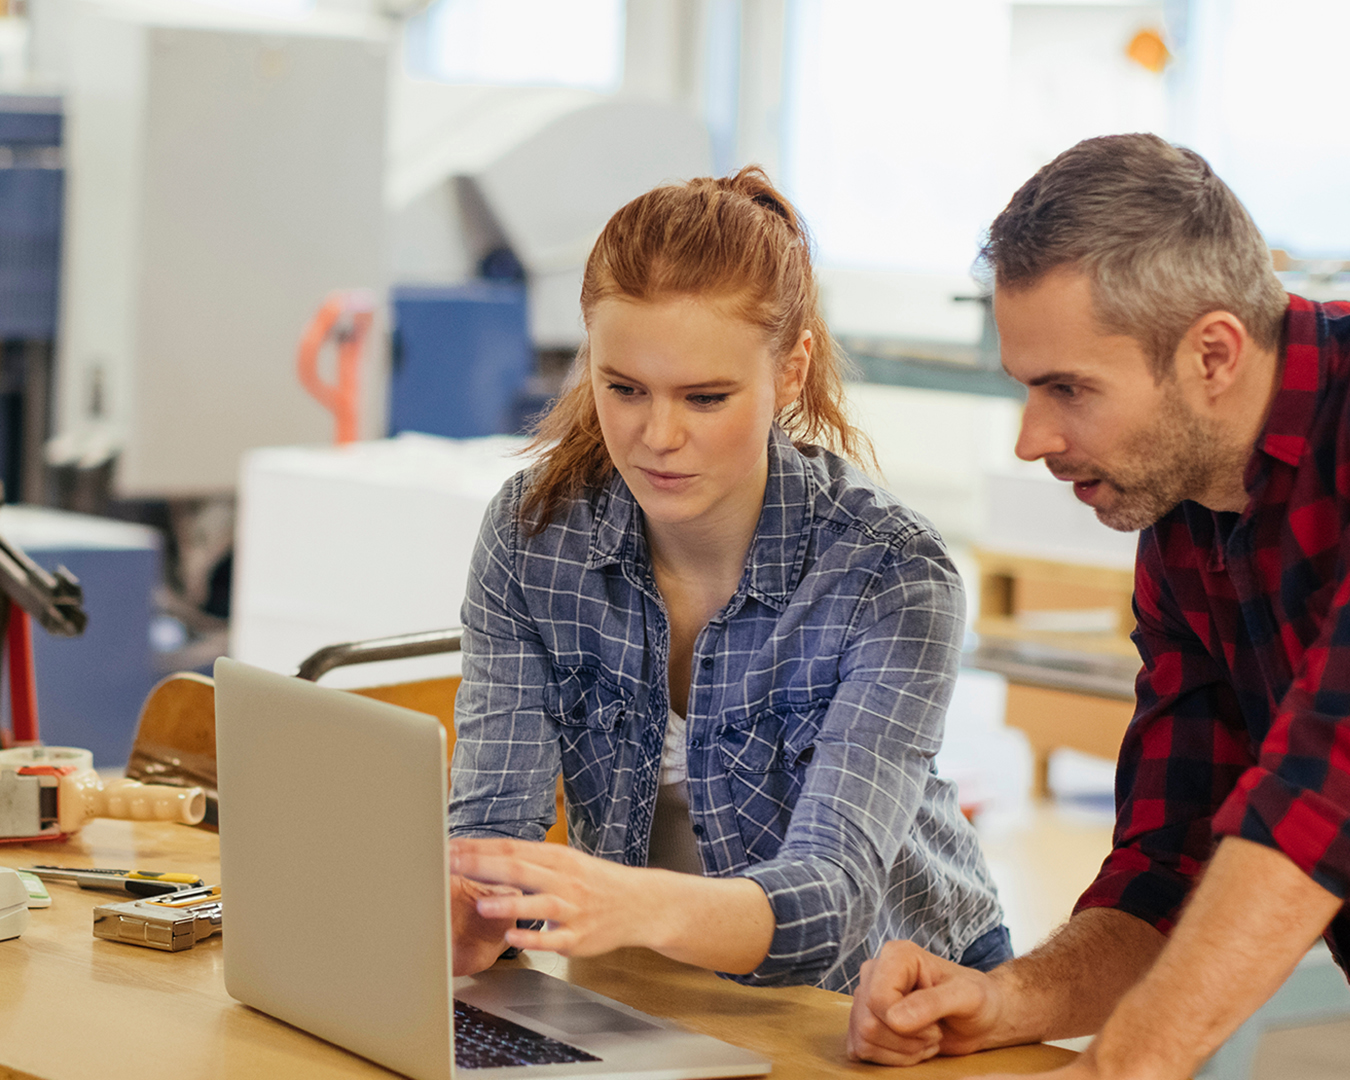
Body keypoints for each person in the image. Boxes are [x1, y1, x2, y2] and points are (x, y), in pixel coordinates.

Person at [846, 131, 1350, 1078]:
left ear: (1212, 354)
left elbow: (1324, 793)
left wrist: (1121, 1065)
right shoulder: (1188, 519)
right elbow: (1171, 865)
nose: (1034, 438)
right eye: (1028, 389)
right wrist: (1002, 1000)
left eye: (1068, 389)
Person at [445, 167, 1007, 992]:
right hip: (655, 979)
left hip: (888, 996)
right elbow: (494, 828)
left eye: (706, 398)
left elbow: (835, 899)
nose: (657, 436)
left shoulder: (891, 573)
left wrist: (626, 906)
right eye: (623, 388)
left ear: (790, 371)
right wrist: (470, 909)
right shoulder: (534, 534)